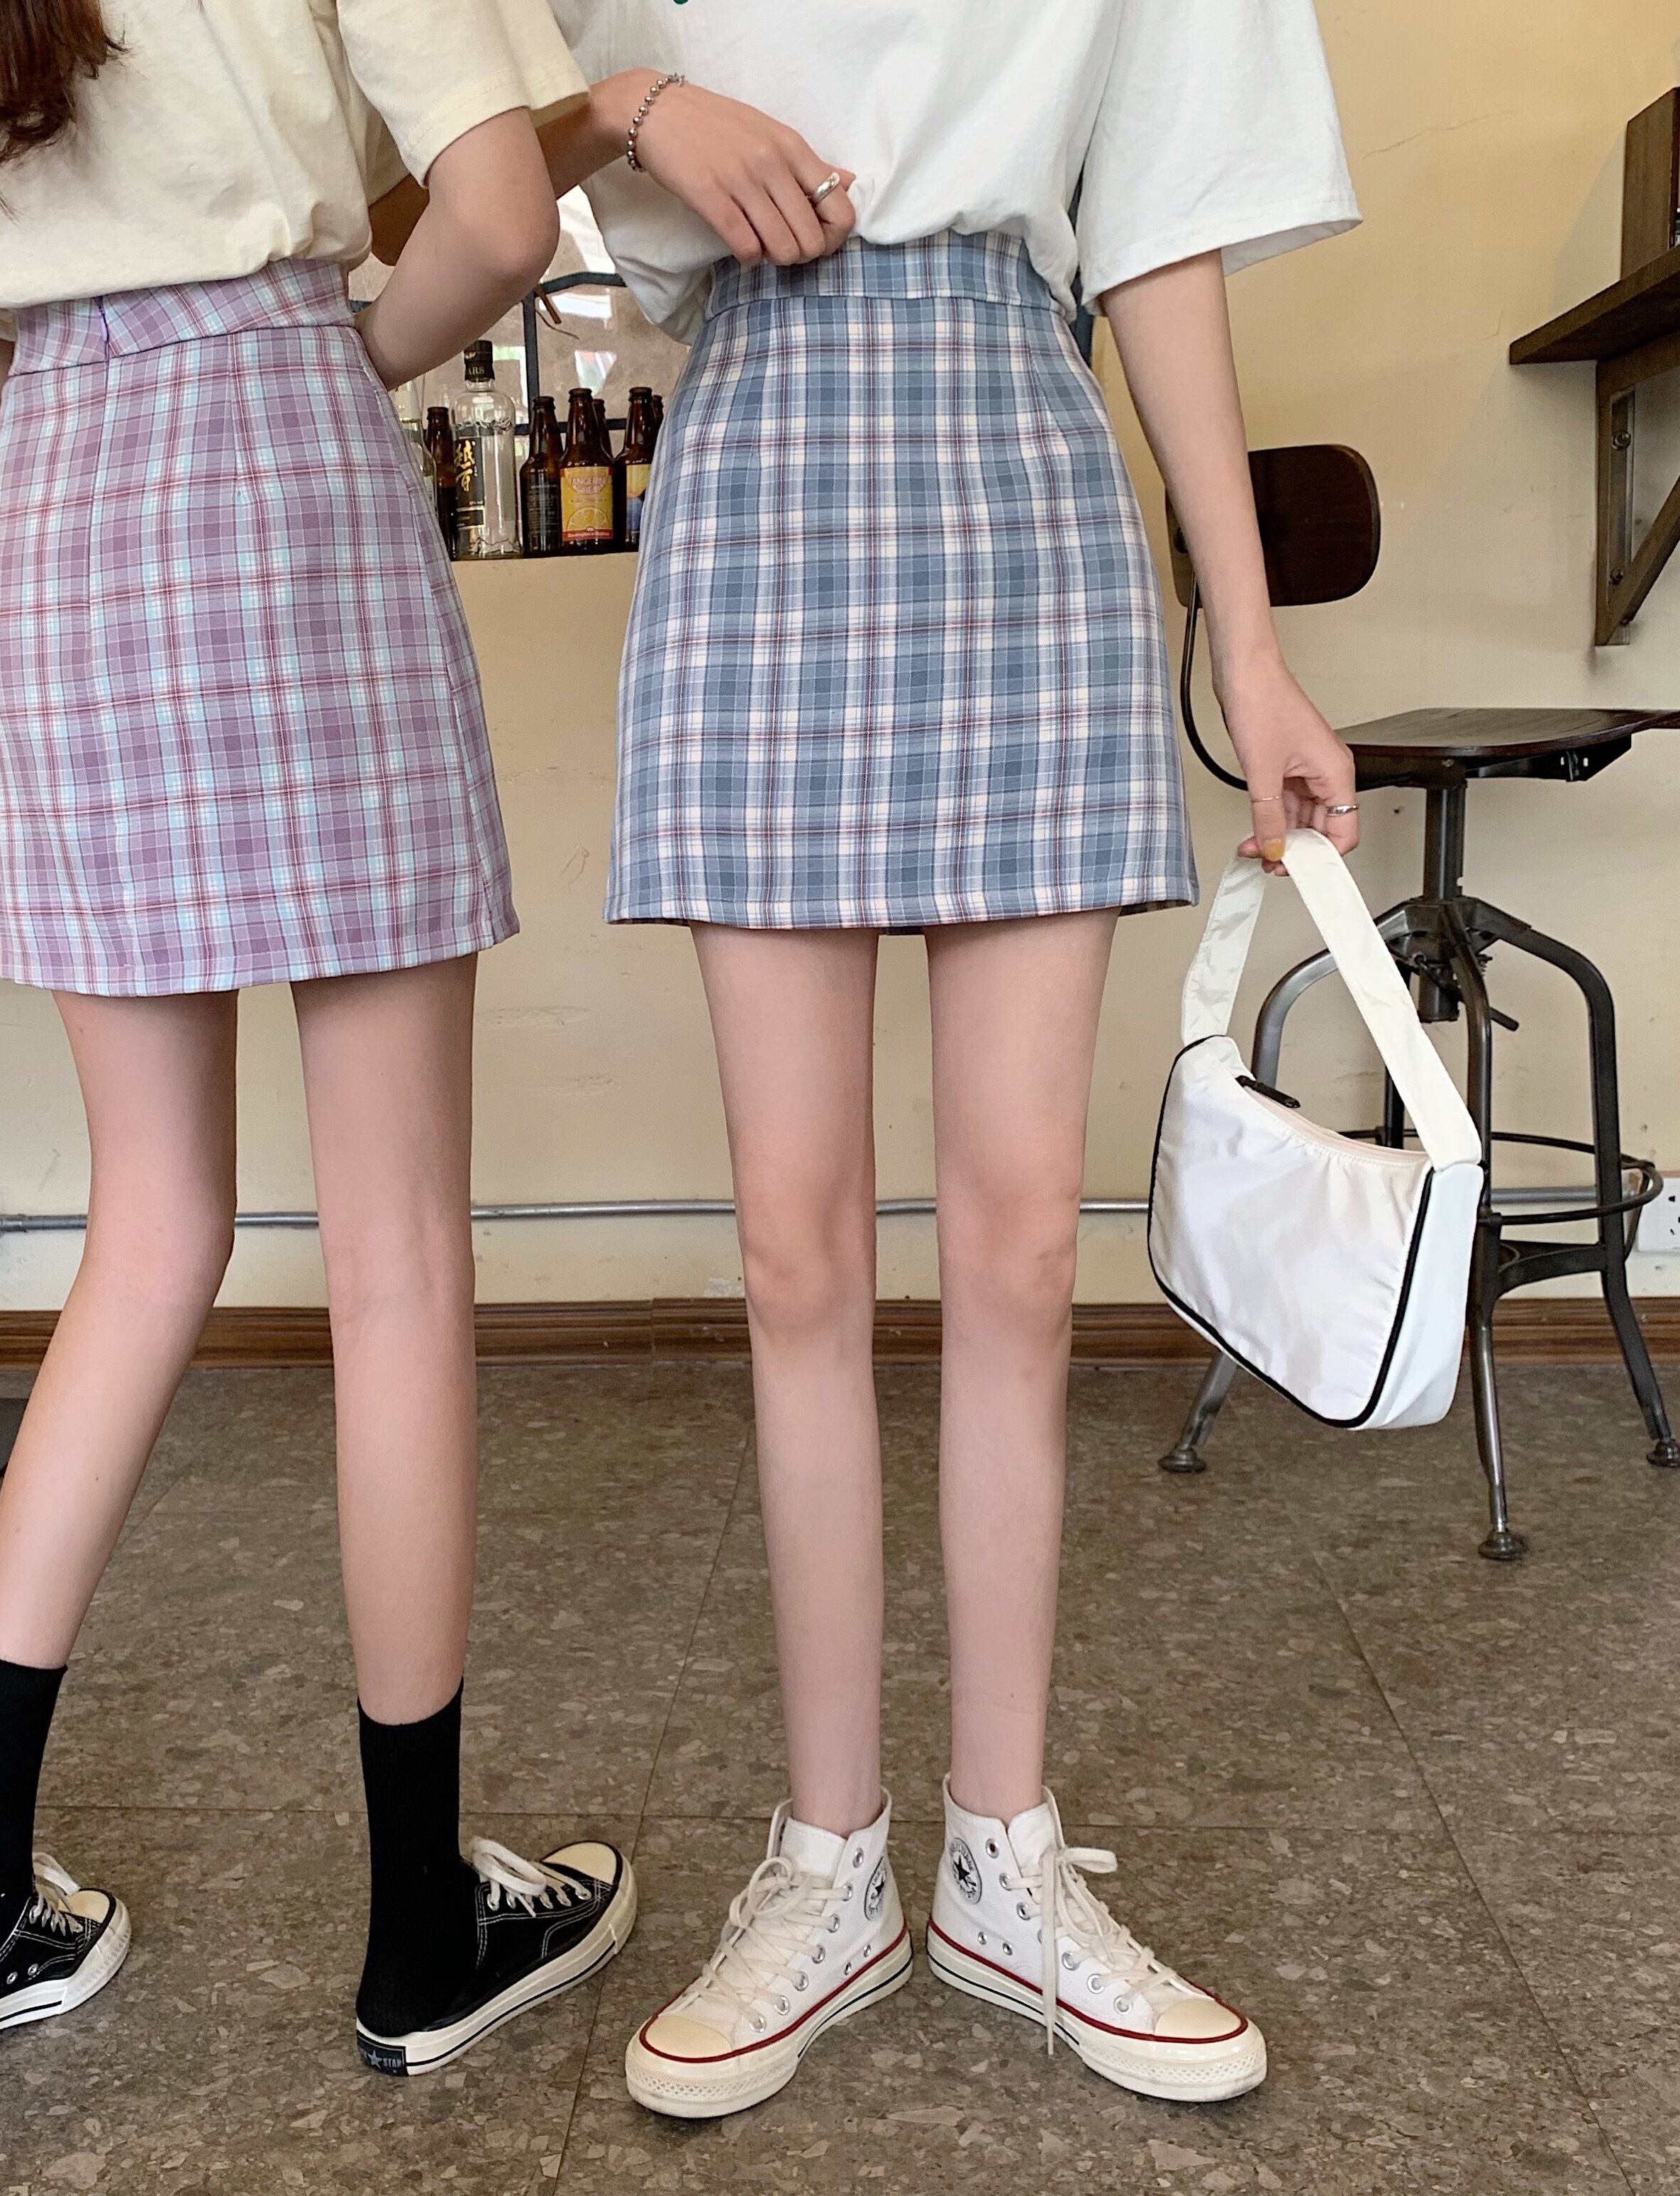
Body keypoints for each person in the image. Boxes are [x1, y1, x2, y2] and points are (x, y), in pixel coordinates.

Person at [0, 0, 637, 2079]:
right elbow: (500, 217)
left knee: (147, 1232)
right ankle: (419, 1929)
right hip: (290, 476)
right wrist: (341, 350)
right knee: (397, 1254)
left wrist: (78, 374)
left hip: (63, 525)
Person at [536, 0, 1364, 2119]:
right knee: (794, 1253)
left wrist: (1251, 646)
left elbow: (1158, 230)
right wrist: (636, 103)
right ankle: (830, 1866)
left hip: (1019, 453)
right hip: (755, 456)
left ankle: (1005, 1857)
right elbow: (460, 141)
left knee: (1018, 1248)